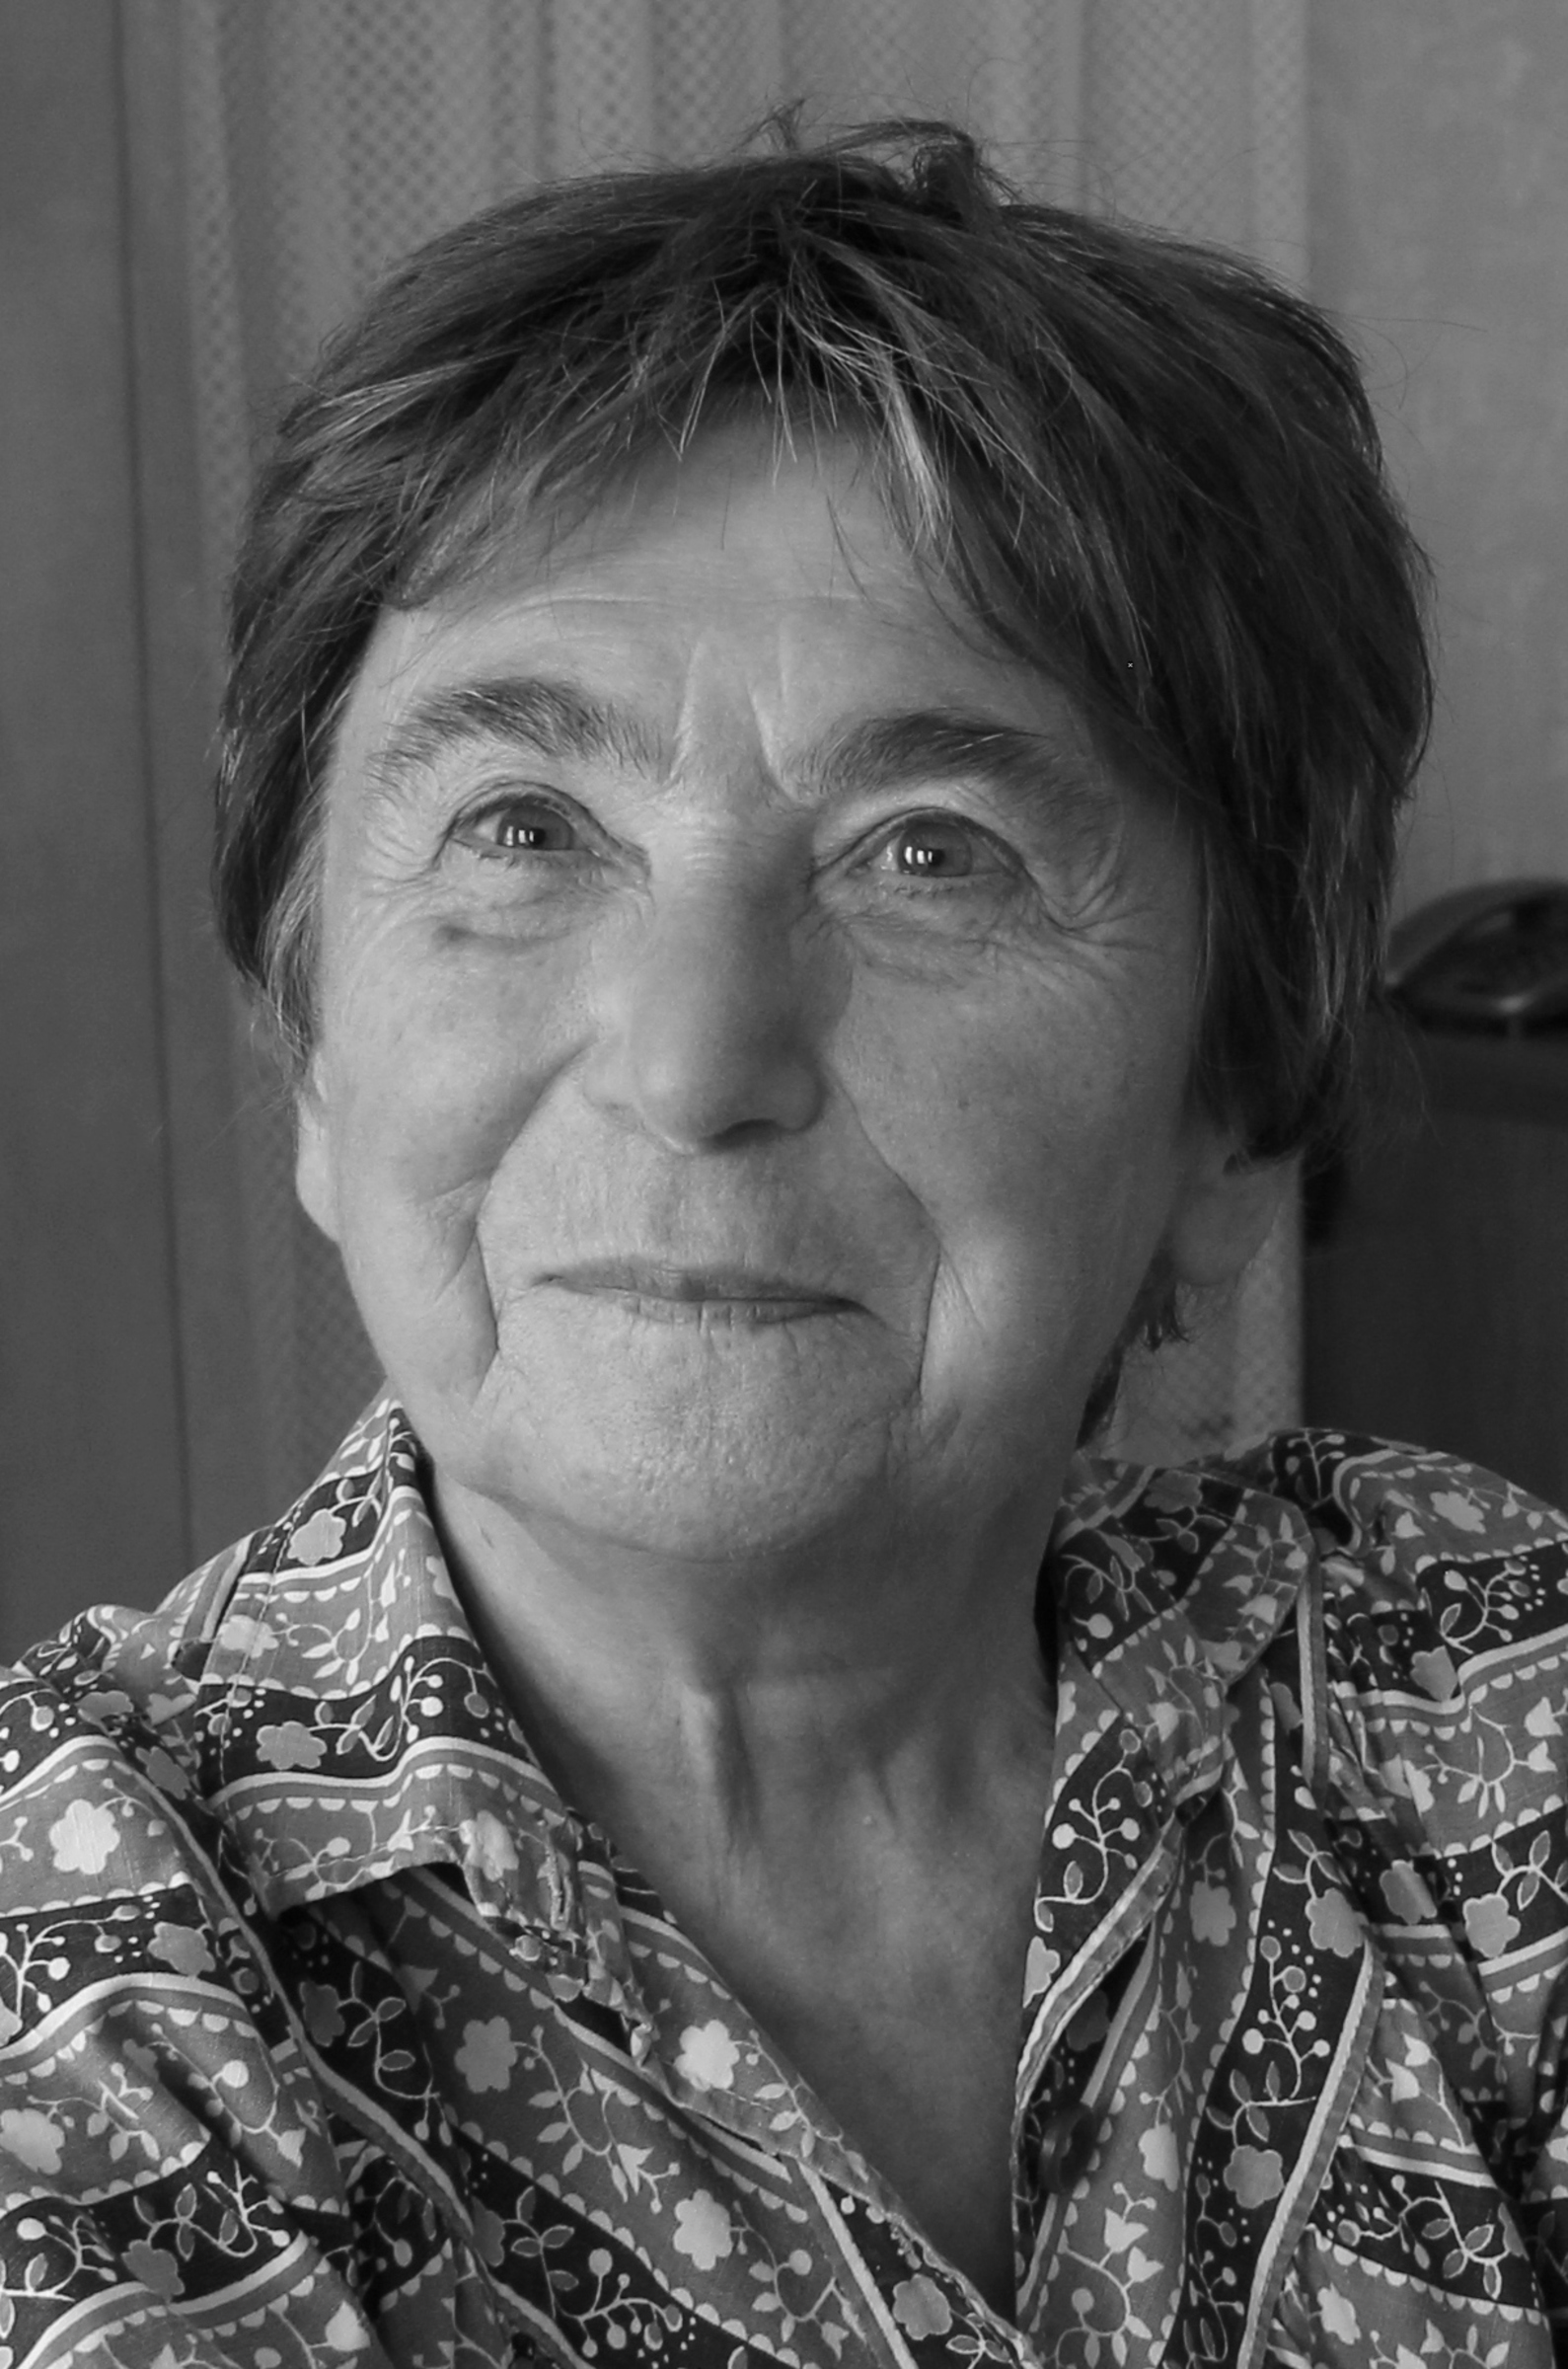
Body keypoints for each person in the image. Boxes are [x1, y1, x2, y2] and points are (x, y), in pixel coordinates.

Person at [2, 118, 1565, 2369]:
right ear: (316, 1051)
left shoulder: (1475, 1695)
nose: (693, 1059)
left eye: (931, 853)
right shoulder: (81, 1973)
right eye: (523, 827)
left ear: (1230, 1119)